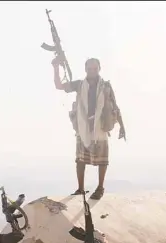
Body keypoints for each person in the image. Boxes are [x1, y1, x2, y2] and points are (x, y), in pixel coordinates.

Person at [52, 57, 127, 200]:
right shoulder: (79, 85)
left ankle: (100, 188)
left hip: (100, 126)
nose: (92, 71)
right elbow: (59, 86)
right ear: (85, 69)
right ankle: (80, 189)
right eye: (89, 69)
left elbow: (115, 106)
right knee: (80, 160)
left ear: (99, 69)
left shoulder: (106, 86)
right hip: (83, 126)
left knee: (102, 160)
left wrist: (122, 126)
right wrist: (56, 67)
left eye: (95, 68)